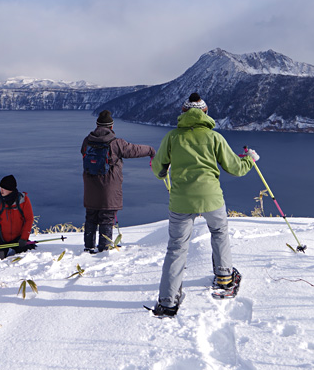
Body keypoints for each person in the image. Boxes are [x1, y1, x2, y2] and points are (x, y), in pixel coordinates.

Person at [149, 93, 258, 317]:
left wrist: (162, 169)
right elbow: (236, 168)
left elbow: (159, 169)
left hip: (181, 200)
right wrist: (251, 159)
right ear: (205, 112)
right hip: (211, 198)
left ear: (183, 112)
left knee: (177, 246)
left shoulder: (172, 137)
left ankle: (168, 301)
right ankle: (225, 278)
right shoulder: (214, 137)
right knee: (219, 232)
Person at [81, 109, 155, 253]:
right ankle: (104, 248)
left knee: (91, 216)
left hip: (90, 186)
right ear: (111, 127)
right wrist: (151, 150)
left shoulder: (87, 141)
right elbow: (134, 150)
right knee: (107, 217)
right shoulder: (116, 143)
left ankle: (88, 246)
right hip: (109, 187)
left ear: (97, 125)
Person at [0, 174, 36, 261]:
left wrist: (24, 238)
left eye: (4, 188)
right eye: (0, 187)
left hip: (18, 238)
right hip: (1, 238)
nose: (1, 190)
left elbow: (29, 219)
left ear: (11, 189)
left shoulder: (23, 200)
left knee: (23, 257)